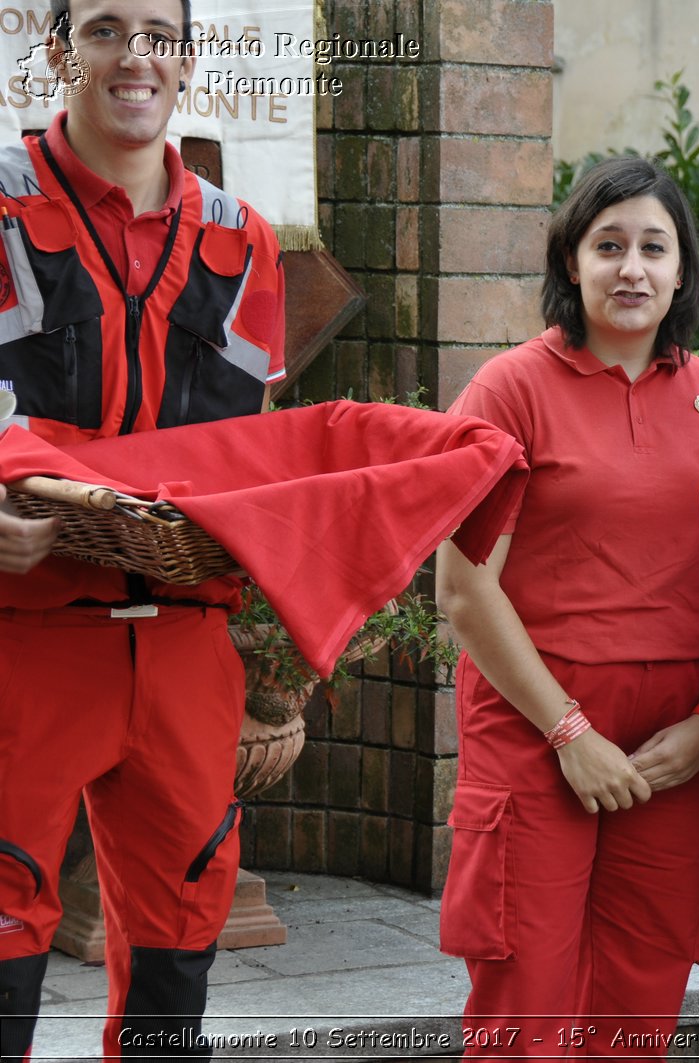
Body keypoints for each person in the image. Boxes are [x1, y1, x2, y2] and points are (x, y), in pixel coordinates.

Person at [0, 2, 286, 1059]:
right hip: (22, 632)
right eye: (107, 28)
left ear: (188, 61)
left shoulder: (242, 239)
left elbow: (251, 460)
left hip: (180, 641)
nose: (137, 56)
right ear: (58, 51)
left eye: (160, 34)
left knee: (184, 915)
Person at [435, 155, 699, 1058]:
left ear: (682, 268)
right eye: (608, 244)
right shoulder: (510, 390)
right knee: (524, 1007)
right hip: (538, 729)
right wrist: (569, 733)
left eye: (655, 247)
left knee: (640, 1002)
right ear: (570, 262)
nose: (632, 268)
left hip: (671, 748)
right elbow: (462, 590)